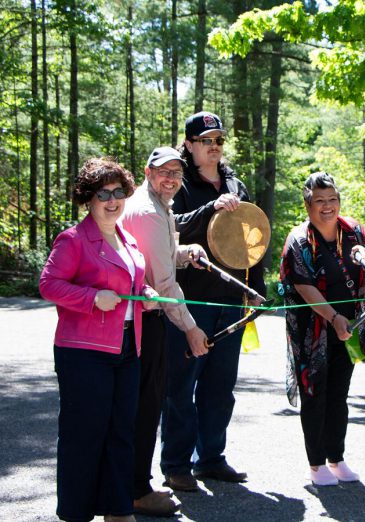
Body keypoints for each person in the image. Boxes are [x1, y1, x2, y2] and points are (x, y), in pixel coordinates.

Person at [39, 158, 158, 522]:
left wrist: (147, 293)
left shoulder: (128, 240)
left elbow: (132, 285)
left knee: (122, 432)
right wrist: (91, 298)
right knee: (84, 434)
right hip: (84, 353)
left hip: (127, 348)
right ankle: (76, 512)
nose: (112, 200)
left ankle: (118, 509)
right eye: (103, 193)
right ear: (88, 199)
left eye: (118, 191)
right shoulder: (73, 240)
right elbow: (48, 285)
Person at [160, 111, 266, 491]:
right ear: (188, 145)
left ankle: (211, 459)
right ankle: (175, 464)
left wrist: (259, 287)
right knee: (180, 387)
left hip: (231, 298)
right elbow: (169, 226)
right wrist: (212, 208)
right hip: (190, 302)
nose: (214, 147)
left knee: (220, 387)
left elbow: (253, 236)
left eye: (218, 140)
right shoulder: (177, 181)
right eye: (206, 141)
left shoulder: (235, 182)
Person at [278, 171, 365, 486]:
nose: (328, 207)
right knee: (315, 392)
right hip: (313, 329)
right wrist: (333, 318)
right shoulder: (300, 239)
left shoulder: (354, 231)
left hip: (350, 326)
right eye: (320, 201)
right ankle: (316, 464)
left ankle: (336, 458)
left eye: (333, 200)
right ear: (308, 205)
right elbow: (304, 286)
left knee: (339, 394)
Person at [120, 147, 209, 516]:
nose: (171, 178)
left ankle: (133, 483)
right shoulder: (146, 210)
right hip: (142, 320)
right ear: (147, 171)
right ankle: (137, 489)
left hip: (141, 317)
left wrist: (186, 251)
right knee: (144, 405)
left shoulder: (158, 206)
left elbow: (161, 255)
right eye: (163, 171)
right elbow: (165, 283)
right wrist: (191, 329)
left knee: (144, 402)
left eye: (176, 172)